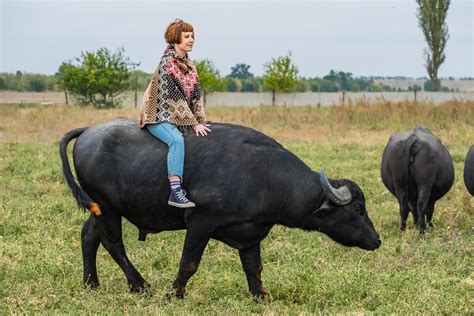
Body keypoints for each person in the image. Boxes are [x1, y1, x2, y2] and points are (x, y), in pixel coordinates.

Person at [139, 18, 211, 208]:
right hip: (158, 115)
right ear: (175, 39)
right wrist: (193, 123)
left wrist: (201, 120)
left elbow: (196, 95)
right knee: (176, 140)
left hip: (177, 117)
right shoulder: (168, 63)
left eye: (192, 36)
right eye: (186, 36)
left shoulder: (190, 64)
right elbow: (176, 98)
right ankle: (175, 191)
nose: (191, 39)